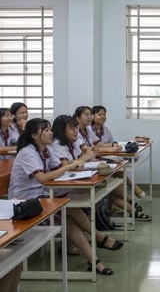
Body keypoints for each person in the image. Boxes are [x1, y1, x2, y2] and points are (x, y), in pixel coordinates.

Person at [8, 118, 122, 275]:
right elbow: (42, 178)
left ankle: (94, 257)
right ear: (34, 135)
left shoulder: (46, 149)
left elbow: (60, 166)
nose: (50, 133)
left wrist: (70, 164)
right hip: (26, 202)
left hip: (43, 195)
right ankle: (98, 243)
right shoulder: (28, 152)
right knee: (66, 212)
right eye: (46, 130)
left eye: (50, 129)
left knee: (67, 210)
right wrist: (70, 165)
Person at [91, 106, 150, 220]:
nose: (103, 117)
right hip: (97, 162)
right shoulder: (89, 130)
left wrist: (114, 146)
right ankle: (131, 196)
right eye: (100, 114)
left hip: (105, 159)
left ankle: (130, 203)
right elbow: (96, 147)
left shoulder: (106, 130)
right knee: (113, 180)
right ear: (93, 116)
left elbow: (110, 143)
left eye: (104, 114)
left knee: (117, 171)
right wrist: (110, 147)